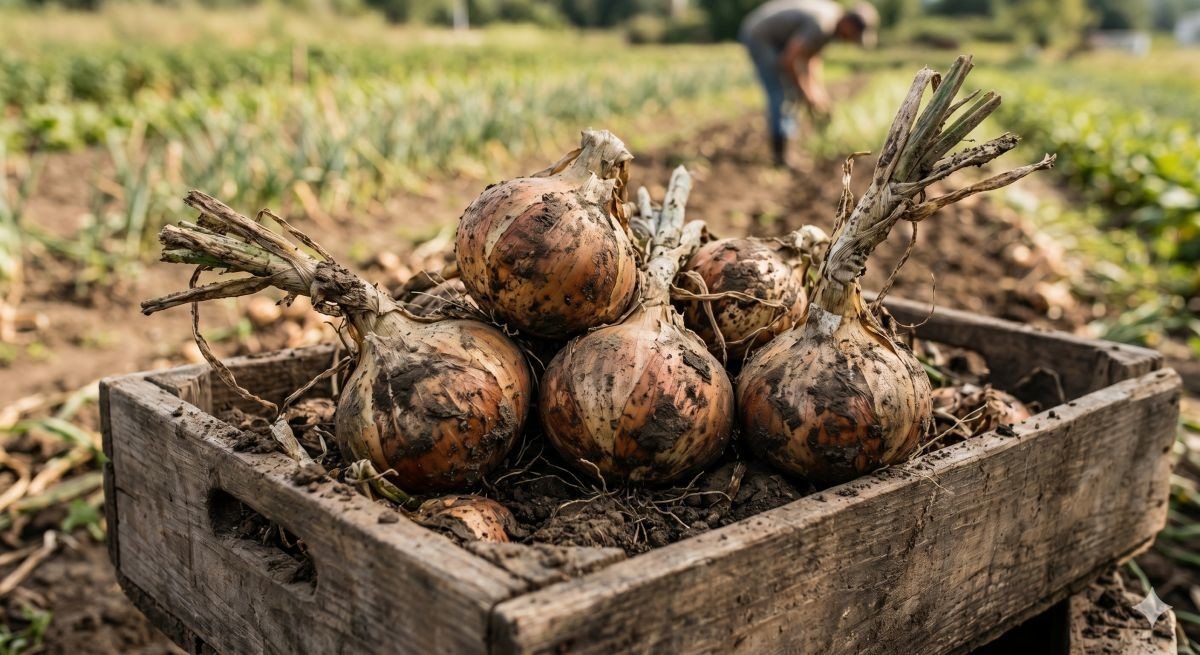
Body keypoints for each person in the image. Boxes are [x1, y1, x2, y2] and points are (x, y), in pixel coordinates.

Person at [740, 0, 879, 166]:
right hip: (761, 36)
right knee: (782, 92)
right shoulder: (822, 25)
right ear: (848, 24)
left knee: (793, 91)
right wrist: (806, 92)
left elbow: (810, 58)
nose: (850, 41)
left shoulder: (833, 19)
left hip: (777, 38)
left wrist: (819, 94)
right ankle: (780, 156)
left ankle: (788, 146)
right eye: (853, 35)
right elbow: (790, 60)